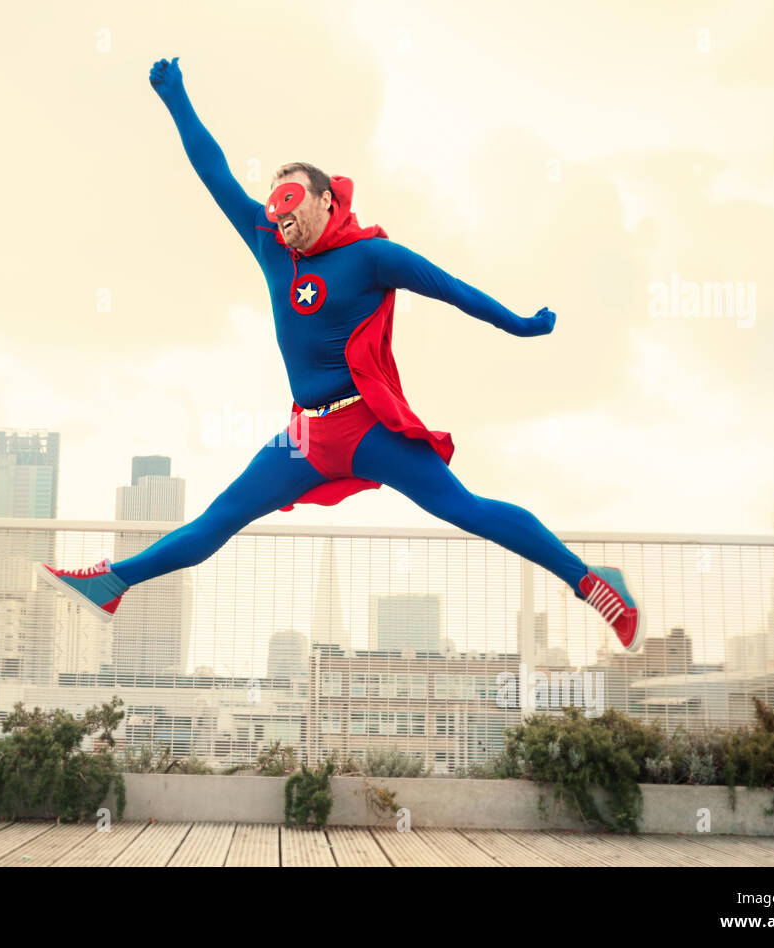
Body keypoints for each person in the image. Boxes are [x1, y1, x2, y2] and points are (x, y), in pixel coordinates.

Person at [38, 56, 645, 653]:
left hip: (369, 427)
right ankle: (114, 584)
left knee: (466, 509)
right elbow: (213, 170)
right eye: (274, 205)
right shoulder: (271, 246)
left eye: (292, 201)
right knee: (220, 518)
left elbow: (452, 289)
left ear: (326, 201)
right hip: (305, 438)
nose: (281, 216)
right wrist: (176, 100)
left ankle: (592, 583)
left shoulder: (371, 259)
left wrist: (516, 324)